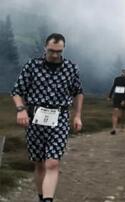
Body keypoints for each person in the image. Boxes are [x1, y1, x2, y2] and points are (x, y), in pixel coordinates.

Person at [11, 33, 84, 202]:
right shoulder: (32, 66)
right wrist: (21, 109)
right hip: (34, 117)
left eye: (59, 51)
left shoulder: (71, 68)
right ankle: (41, 196)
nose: (55, 54)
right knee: (39, 163)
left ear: (63, 49)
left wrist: (77, 115)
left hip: (59, 117)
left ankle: (47, 200)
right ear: (45, 47)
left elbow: (78, 92)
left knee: (52, 163)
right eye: (52, 50)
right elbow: (17, 91)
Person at [108, 68, 125, 135]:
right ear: (121, 72)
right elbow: (113, 87)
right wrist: (110, 96)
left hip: (124, 98)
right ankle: (114, 129)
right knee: (115, 113)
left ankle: (122, 125)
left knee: (123, 114)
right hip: (117, 97)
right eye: (123, 72)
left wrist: (124, 100)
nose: (124, 73)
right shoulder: (117, 79)